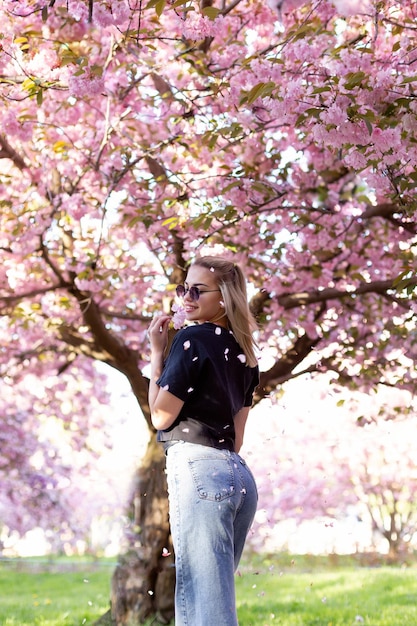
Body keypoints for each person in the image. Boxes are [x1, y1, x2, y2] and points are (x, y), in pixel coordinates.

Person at [148, 255, 259, 626]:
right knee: (213, 602)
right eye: (184, 289)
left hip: (199, 471)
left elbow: (160, 416)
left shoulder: (191, 338)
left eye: (198, 290)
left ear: (225, 297)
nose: (187, 297)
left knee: (204, 609)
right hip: (238, 478)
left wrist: (156, 355)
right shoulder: (247, 358)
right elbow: (237, 439)